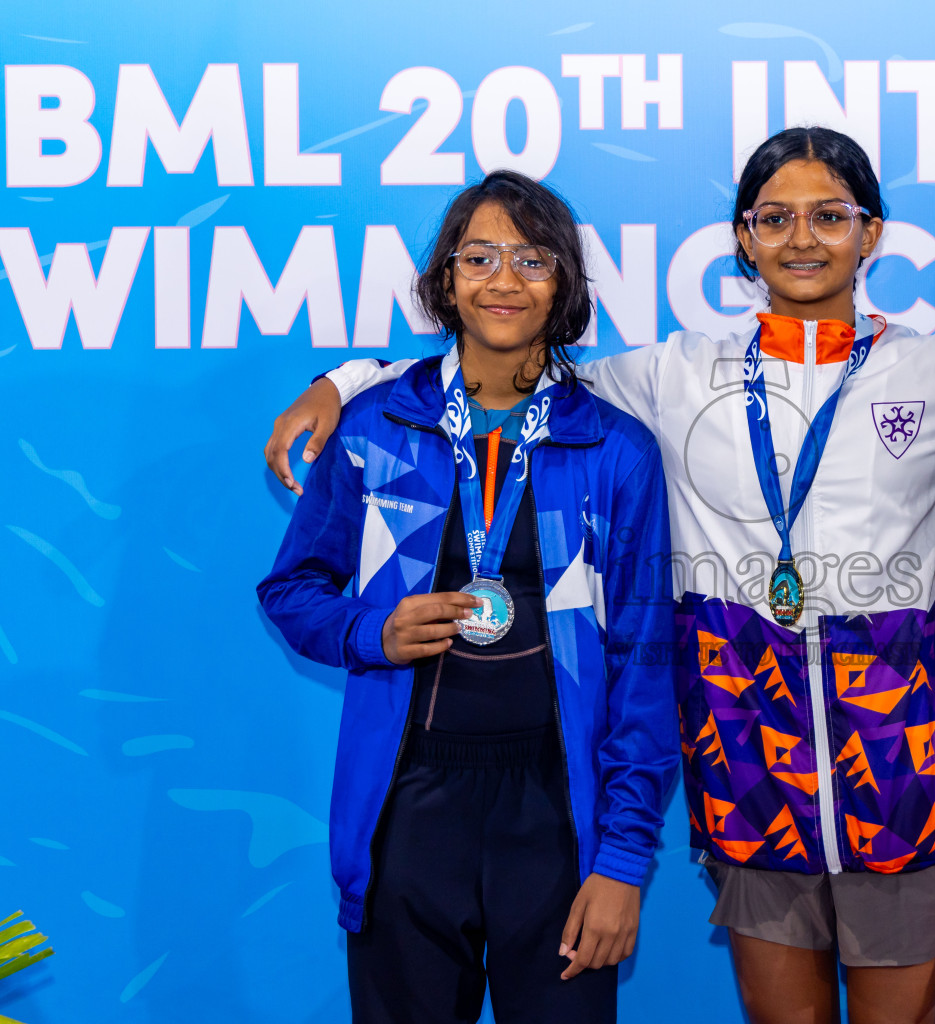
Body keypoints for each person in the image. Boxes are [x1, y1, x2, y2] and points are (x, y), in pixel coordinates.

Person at [261, 129, 935, 1024]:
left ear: (871, 233)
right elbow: (514, 361)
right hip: (748, 748)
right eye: (775, 217)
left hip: (904, 760)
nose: (803, 237)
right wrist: (342, 379)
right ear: (741, 240)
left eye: (831, 214)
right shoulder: (679, 371)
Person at [257, 170, 676, 1024]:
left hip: (560, 815)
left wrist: (624, 860)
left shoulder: (614, 447)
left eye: (532, 258)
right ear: (444, 279)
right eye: (478, 256)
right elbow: (291, 589)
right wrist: (368, 631)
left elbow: (644, 662)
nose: (504, 279)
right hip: (408, 804)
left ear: (564, 283)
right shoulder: (377, 427)